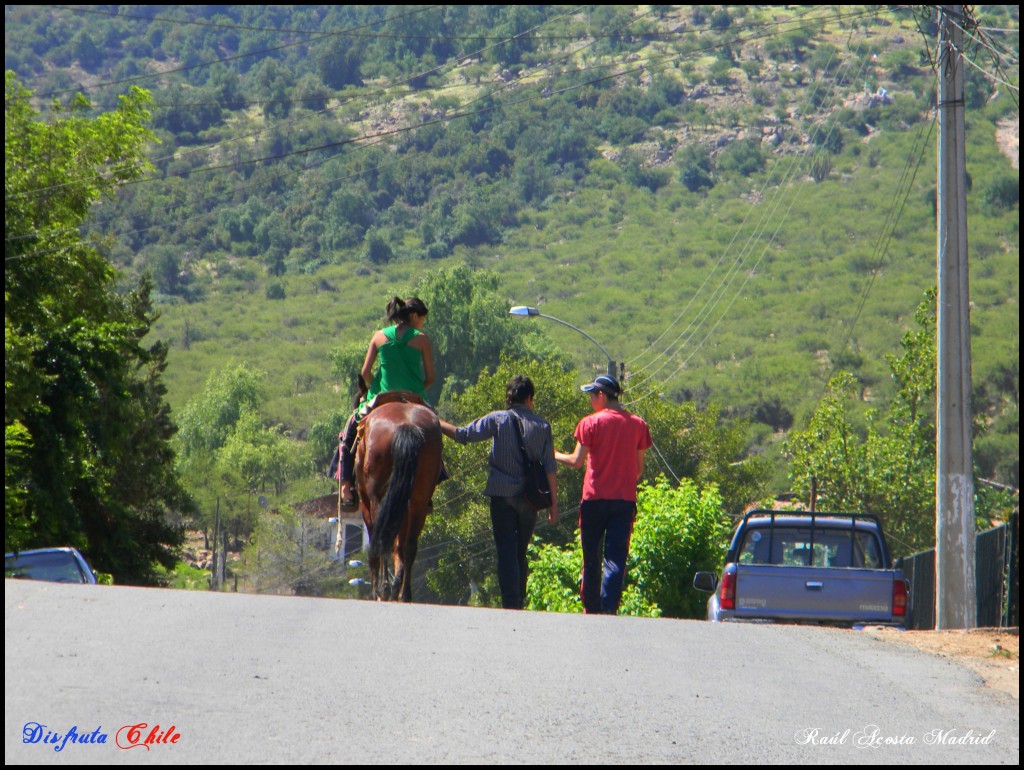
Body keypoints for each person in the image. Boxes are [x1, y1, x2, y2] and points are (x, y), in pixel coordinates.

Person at [438, 375, 559, 610]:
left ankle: (510, 603)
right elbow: (551, 467)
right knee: (520, 551)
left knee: (506, 549)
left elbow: (463, 435)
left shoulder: (498, 419)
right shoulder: (543, 426)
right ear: (530, 399)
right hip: (529, 499)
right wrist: (554, 505)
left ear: (510, 398)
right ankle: (519, 600)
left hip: (501, 496)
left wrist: (436, 421)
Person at [554, 374, 652, 615]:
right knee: (615, 558)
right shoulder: (638, 425)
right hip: (624, 502)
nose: (589, 401)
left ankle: (591, 610)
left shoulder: (590, 423)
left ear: (602, 396)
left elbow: (577, 461)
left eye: (591, 396)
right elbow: (639, 469)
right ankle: (609, 610)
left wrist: (550, 453)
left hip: (594, 500)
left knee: (591, 560)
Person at [338, 296, 434, 509]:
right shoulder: (421, 339)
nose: (422, 323)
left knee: (350, 432)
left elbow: (365, 372)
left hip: (381, 397)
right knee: (432, 430)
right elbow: (431, 377)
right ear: (415, 316)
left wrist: (374, 389)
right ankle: (433, 481)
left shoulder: (379, 336)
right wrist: (418, 391)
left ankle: (345, 485)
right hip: (413, 397)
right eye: (422, 319)